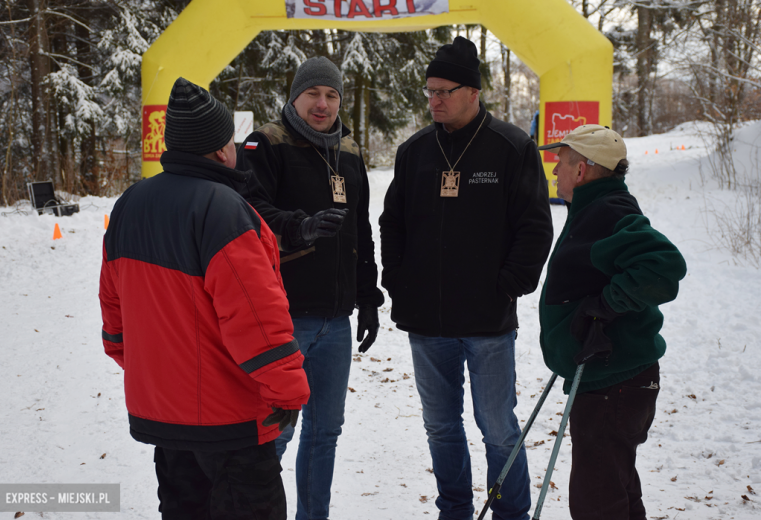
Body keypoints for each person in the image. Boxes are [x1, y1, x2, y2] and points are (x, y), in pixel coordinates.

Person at [99, 77, 310, 520]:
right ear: (220, 150)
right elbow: (256, 319)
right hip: (229, 423)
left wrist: (158, 376)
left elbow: (115, 320)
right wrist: (288, 393)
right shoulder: (224, 209)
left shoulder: (129, 205)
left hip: (164, 419)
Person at [379, 36, 554, 520]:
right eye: (429, 91)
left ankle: (510, 513)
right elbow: (392, 223)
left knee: (498, 428)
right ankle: (453, 510)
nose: (434, 100)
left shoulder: (511, 147)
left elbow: (535, 226)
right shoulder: (414, 151)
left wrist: (508, 283)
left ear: (473, 92)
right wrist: (398, 279)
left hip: (487, 321)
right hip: (427, 321)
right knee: (440, 426)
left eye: (444, 91)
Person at [238, 56, 384, 520]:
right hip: (283, 315)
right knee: (274, 431)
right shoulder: (267, 143)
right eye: (313, 95)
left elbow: (359, 230)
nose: (323, 105)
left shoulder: (350, 151)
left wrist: (368, 299)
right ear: (295, 97)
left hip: (335, 321)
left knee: (326, 432)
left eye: (332, 95)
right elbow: (250, 210)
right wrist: (299, 228)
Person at [537, 125, 687, 520]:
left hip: (613, 384)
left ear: (583, 170)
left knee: (596, 503)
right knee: (614, 490)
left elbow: (664, 264)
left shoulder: (608, 212)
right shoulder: (595, 208)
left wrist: (603, 306)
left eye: (562, 161)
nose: (555, 170)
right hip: (610, 379)